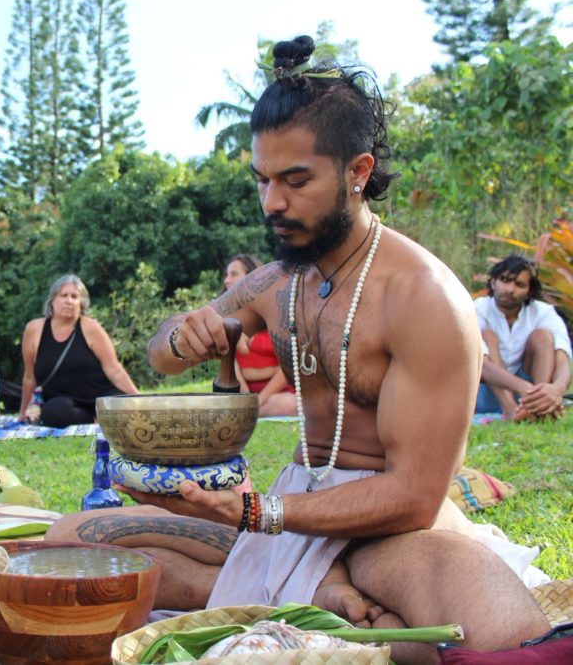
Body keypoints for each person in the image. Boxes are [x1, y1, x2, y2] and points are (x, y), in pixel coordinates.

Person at [46, 35, 549, 663]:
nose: (272, 203)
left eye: (295, 180)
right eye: (261, 180)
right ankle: (313, 602)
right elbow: (161, 356)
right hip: (282, 515)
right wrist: (188, 331)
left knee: (497, 633)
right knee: (70, 538)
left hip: (382, 526)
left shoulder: (422, 299)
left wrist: (258, 512)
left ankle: (303, 599)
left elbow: (416, 496)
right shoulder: (275, 281)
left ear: (358, 173)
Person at [18, 275, 138, 428]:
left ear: (81, 303)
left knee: (123, 409)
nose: (69, 301)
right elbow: (29, 376)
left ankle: (101, 417)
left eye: (74, 297)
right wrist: (22, 412)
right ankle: (93, 420)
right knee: (53, 414)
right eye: (64, 295)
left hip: (99, 396)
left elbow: (114, 369)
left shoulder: (91, 327)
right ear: (52, 300)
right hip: (63, 401)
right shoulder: (34, 329)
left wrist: (139, 398)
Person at [473, 254, 570, 420]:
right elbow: (481, 366)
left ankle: (539, 407)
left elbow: (562, 357)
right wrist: (524, 387)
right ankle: (512, 411)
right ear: (493, 282)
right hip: (483, 393)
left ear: (528, 292)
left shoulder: (543, 312)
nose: (510, 289)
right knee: (487, 336)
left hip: (527, 394)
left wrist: (556, 389)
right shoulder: (476, 309)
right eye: (504, 280)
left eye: (519, 284)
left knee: (543, 337)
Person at [216, 254, 295, 417]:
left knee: (290, 404)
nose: (226, 280)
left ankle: (248, 415)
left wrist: (258, 402)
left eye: (234, 274)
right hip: (242, 391)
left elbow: (287, 369)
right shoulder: (223, 321)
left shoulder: (277, 314)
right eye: (226, 274)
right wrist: (246, 399)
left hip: (276, 392)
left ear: (252, 278)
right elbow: (229, 364)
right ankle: (246, 413)